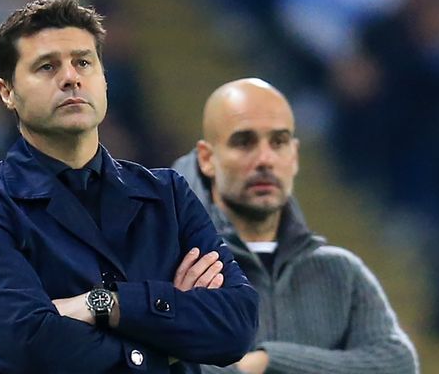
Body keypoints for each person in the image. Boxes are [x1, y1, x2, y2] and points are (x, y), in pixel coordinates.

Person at [0, 0, 258, 373]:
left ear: (103, 79)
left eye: (83, 62)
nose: (70, 77)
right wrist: (165, 339)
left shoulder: (168, 195)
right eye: (46, 67)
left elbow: (236, 326)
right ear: (7, 92)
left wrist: (100, 304)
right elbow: (29, 347)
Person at [172, 78, 418, 373]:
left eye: (279, 142)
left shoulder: (341, 272)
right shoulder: (171, 263)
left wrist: (266, 362)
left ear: (295, 155)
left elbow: (398, 364)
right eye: (244, 141)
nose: (265, 159)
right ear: (207, 158)